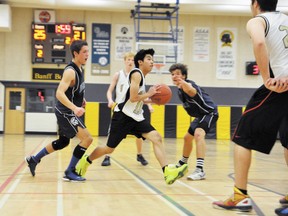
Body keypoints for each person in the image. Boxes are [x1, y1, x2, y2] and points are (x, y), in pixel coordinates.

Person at [212, 0, 288, 212]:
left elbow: (260, 43)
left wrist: (267, 79)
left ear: (255, 4)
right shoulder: (286, 19)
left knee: (243, 135)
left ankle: (239, 195)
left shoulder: (258, 20)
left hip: (279, 85)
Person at [76, 48, 188, 185]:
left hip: (135, 117)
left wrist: (153, 100)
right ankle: (86, 160)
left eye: (152, 59)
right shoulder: (136, 74)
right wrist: (150, 93)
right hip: (123, 116)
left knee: (157, 137)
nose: (152, 62)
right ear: (140, 62)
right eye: (149, 59)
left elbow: (138, 99)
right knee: (109, 149)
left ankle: (167, 172)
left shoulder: (142, 76)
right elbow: (134, 97)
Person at [25, 39, 92, 182]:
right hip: (65, 112)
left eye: (88, 51)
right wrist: (74, 107)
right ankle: (69, 171)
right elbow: (59, 93)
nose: (87, 54)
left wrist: (81, 100)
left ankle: (34, 159)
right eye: (84, 52)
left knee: (63, 142)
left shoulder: (80, 68)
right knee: (87, 138)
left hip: (68, 111)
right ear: (75, 53)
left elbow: (74, 90)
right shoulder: (70, 71)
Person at [101, 52, 153, 166]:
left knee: (140, 134)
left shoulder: (139, 75)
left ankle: (139, 154)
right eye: (128, 59)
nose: (130, 61)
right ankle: (107, 156)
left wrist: (149, 105)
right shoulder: (118, 75)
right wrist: (110, 100)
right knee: (112, 133)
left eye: (132, 59)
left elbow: (142, 93)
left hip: (134, 107)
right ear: (125, 61)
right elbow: (110, 90)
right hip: (121, 108)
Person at [168, 63, 218, 180]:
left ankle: (200, 170)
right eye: (173, 74)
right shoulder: (179, 89)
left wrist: (183, 82)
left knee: (198, 134)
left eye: (178, 74)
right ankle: (183, 163)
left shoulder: (189, 85)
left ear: (184, 76)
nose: (175, 76)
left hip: (209, 112)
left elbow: (191, 91)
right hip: (200, 116)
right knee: (187, 138)